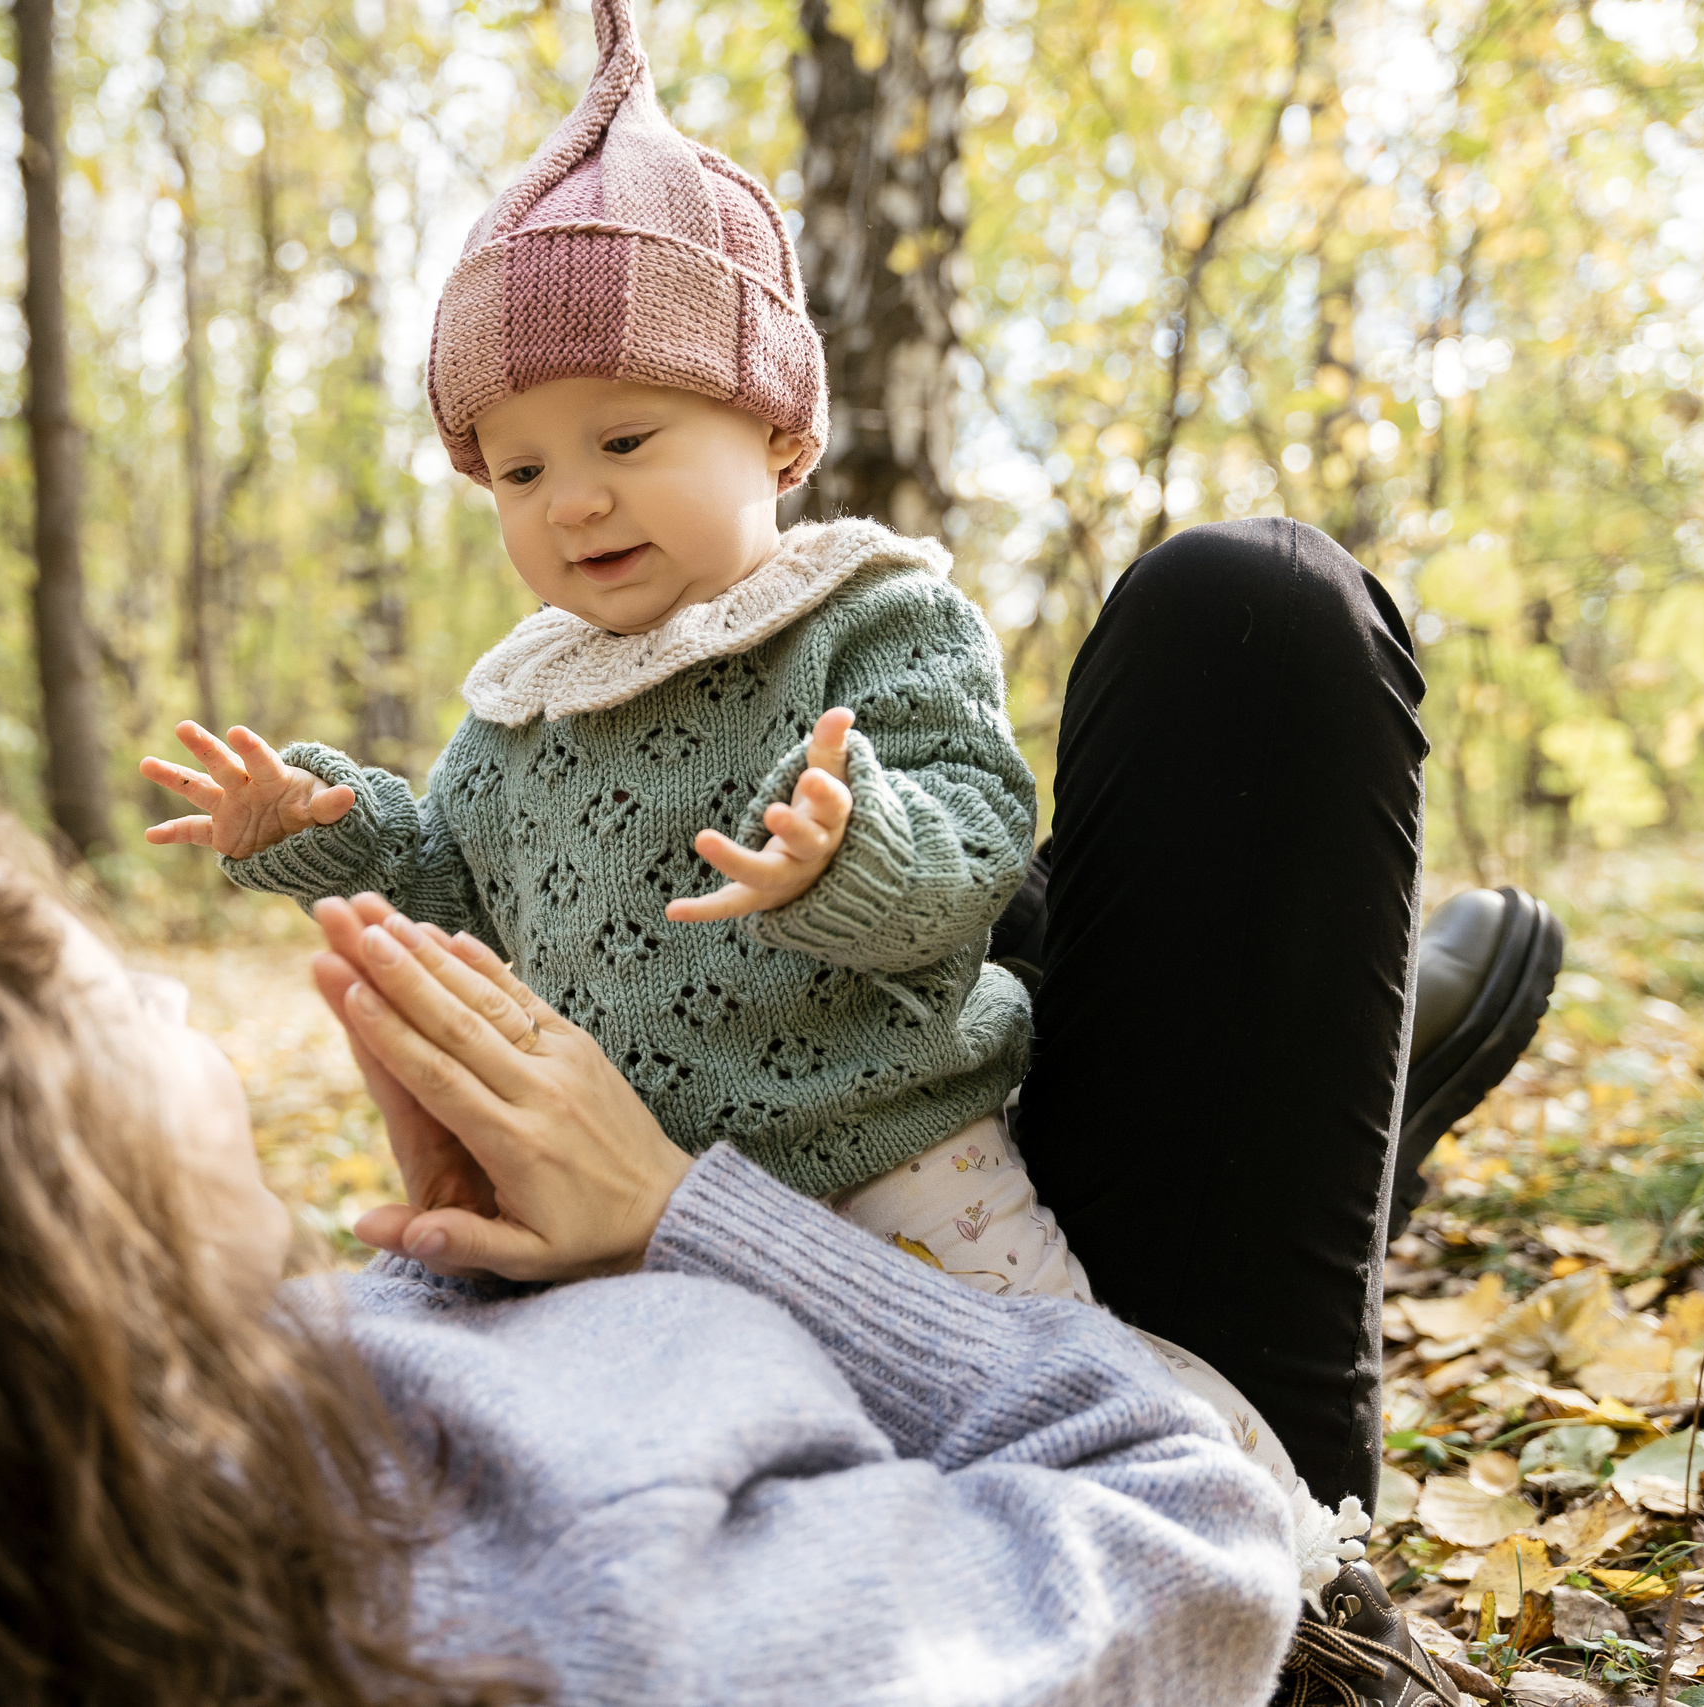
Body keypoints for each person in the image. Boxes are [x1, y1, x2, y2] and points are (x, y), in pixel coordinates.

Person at [0, 761, 1302, 1706]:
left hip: (701, 1223)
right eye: (113, 1000)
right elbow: (1197, 1518)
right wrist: (678, 1220)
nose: (162, 1003)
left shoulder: (18, 1519)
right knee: (1249, 631)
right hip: (1066, 1365)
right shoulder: (632, 1650)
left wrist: (438, 1263)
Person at [138, 0, 1087, 1310]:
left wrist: (853, 847)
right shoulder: (529, 705)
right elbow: (458, 899)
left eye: (623, 443)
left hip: (890, 1160)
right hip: (620, 1213)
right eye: (519, 469)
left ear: (774, 433)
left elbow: (983, 841)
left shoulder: (865, 617)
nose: (570, 499)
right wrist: (338, 840)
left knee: (1023, 1396)